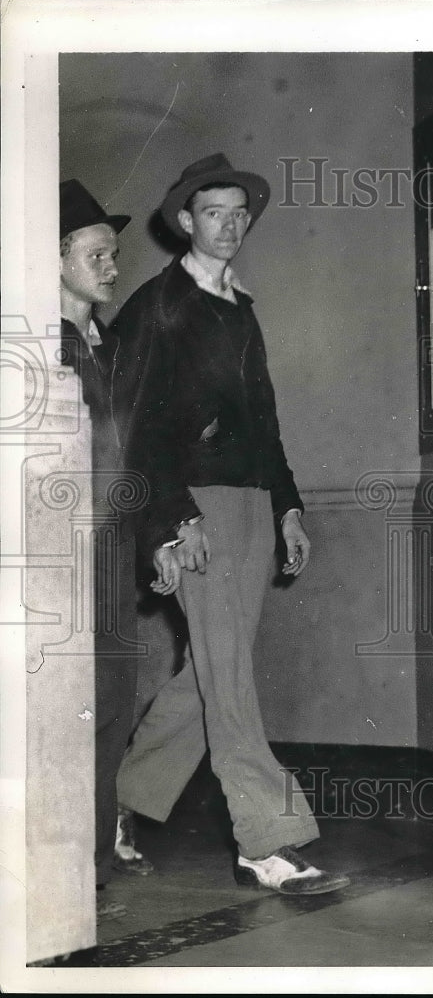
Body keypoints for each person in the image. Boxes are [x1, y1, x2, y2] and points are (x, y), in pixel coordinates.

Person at [110, 154, 349, 895]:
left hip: (248, 505)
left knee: (210, 675)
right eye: (214, 212)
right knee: (231, 677)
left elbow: (266, 425)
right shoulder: (160, 305)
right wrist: (175, 518)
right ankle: (266, 842)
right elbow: (136, 426)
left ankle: (114, 797)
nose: (229, 225)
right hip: (196, 506)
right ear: (186, 221)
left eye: (239, 213)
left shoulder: (239, 306)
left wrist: (288, 508)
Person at [59, 180, 153, 923]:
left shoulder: (113, 348)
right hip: (56, 558)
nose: (112, 266)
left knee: (113, 701)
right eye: (96, 254)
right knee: (59, 709)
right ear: (53, 260)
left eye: (114, 254)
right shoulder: (34, 345)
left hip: (113, 549)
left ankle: (89, 857)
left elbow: (135, 455)